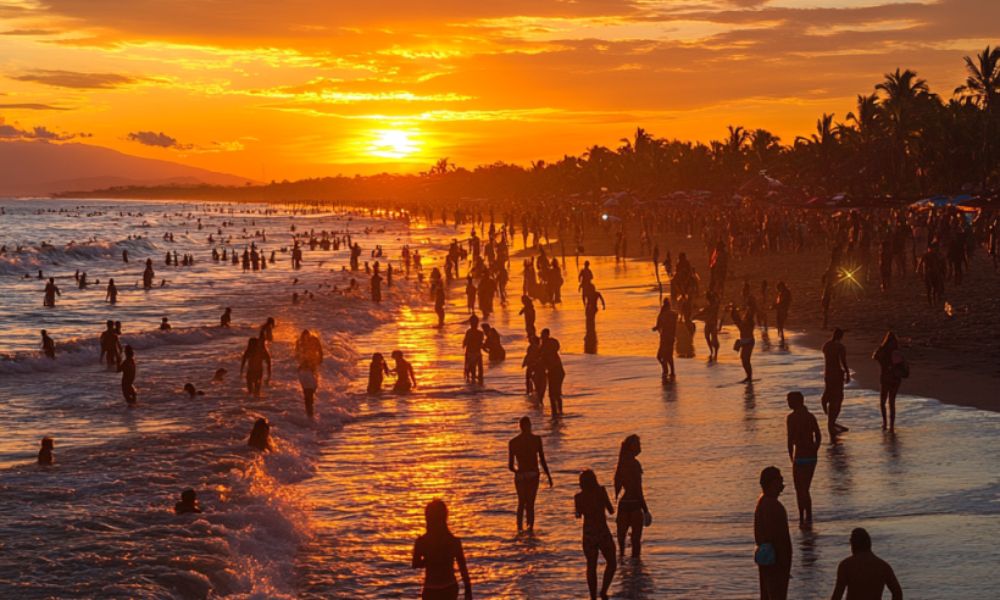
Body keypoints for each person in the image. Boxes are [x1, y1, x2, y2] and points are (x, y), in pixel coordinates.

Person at [412, 499, 472, 600]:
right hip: (450, 587)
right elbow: (463, 569)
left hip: (431, 588)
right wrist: (468, 590)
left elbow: (415, 564)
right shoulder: (454, 541)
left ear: (428, 518)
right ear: (445, 517)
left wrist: (429, 560)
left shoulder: (421, 541)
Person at [575, 469, 616, 600]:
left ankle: (593, 596)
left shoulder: (578, 497)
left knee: (591, 566)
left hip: (588, 534)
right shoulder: (601, 491)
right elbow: (611, 510)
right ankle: (603, 591)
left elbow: (578, 515)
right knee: (612, 562)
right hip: (602, 532)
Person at [507, 416, 553, 532]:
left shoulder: (513, 442)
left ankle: (519, 529)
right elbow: (542, 460)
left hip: (520, 475)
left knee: (521, 503)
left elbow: (510, 466)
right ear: (530, 426)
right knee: (530, 504)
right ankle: (530, 529)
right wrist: (548, 476)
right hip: (533, 474)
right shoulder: (536, 440)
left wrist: (518, 471)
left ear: (520, 427)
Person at [831, 528, 903, 600]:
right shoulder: (883, 566)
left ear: (853, 544)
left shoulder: (846, 565)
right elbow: (897, 592)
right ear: (869, 543)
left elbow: (837, 596)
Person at [754, 466, 792, 600]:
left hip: (765, 557)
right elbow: (780, 540)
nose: (782, 484)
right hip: (775, 561)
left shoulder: (762, 501)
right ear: (773, 483)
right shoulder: (774, 506)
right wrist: (784, 565)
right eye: (780, 480)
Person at [786, 392, 821, 527]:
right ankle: (808, 516)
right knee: (805, 489)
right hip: (811, 456)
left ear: (797, 402)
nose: (788, 403)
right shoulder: (810, 416)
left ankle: (802, 517)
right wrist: (815, 449)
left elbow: (790, 440)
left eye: (790, 401)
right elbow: (818, 435)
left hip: (800, 456)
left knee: (800, 489)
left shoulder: (791, 418)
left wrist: (791, 457)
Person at [613, 435, 650, 558]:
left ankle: (622, 568)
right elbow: (638, 490)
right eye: (637, 444)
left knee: (621, 547)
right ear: (631, 447)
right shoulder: (635, 464)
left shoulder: (621, 464)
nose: (640, 447)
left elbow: (621, 487)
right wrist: (645, 510)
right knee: (636, 544)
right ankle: (635, 568)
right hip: (634, 505)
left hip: (623, 505)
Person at [872, 331, 906, 432]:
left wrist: (881, 348)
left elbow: (875, 357)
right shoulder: (896, 352)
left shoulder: (883, 351)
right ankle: (891, 426)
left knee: (883, 402)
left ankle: (885, 423)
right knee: (892, 402)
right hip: (895, 379)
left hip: (885, 378)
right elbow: (902, 364)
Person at [821, 328, 851, 439]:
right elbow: (843, 361)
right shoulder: (840, 347)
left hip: (828, 374)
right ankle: (831, 424)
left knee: (829, 394)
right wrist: (847, 373)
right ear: (841, 336)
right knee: (838, 398)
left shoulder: (826, 345)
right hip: (837, 374)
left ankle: (831, 422)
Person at [294, 329, 323, 416]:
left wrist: (318, 361)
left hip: (310, 369)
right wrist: (304, 363)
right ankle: (309, 413)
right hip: (304, 371)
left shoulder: (314, 340)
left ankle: (310, 412)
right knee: (308, 393)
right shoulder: (299, 342)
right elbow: (297, 355)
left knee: (311, 391)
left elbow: (320, 352)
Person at [539, 328, 564, 415]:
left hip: (556, 371)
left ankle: (557, 412)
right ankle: (557, 412)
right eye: (541, 335)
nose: (542, 337)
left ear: (547, 335)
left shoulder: (550, 344)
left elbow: (555, 348)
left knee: (554, 394)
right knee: (554, 394)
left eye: (543, 335)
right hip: (554, 372)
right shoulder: (545, 347)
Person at [652, 298, 678, 381]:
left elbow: (658, 326)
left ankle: (665, 369)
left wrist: (655, 328)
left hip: (664, 338)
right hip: (671, 338)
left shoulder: (662, 315)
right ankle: (671, 371)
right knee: (669, 356)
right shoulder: (674, 314)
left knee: (659, 356)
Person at [731, 303, 756, 383]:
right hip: (746, 340)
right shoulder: (746, 321)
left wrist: (735, 311)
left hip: (749, 341)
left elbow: (739, 323)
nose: (746, 312)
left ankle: (749, 377)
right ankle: (748, 377)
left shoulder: (749, 322)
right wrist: (734, 311)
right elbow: (738, 321)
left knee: (745, 359)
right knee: (744, 359)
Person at [462, 315, 485, 384]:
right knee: (478, 371)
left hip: (471, 353)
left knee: (470, 372)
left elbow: (465, 343)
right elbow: (480, 344)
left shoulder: (469, 332)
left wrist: (464, 344)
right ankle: (478, 385)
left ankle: (472, 386)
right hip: (476, 353)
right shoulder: (480, 333)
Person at [774, 281, 791, 345]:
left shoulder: (786, 292)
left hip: (783, 310)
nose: (780, 288)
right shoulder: (781, 293)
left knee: (780, 324)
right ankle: (781, 338)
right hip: (780, 310)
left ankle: (782, 339)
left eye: (781, 286)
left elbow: (784, 302)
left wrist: (775, 306)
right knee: (779, 324)